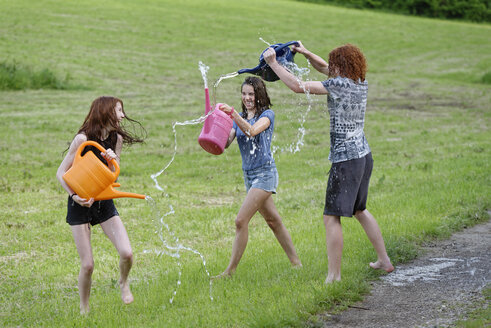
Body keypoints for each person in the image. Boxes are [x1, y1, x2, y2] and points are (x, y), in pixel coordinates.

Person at [264, 42, 394, 283]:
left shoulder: (338, 85)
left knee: (331, 217)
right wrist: (304, 53)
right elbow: (324, 66)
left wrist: (273, 63)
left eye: (335, 63)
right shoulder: (360, 81)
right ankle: (384, 259)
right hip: (363, 156)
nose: (330, 66)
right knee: (360, 210)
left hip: (346, 160)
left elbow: (297, 86)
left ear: (341, 66)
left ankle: (334, 276)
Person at [56, 96, 145, 313]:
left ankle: (123, 283)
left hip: (103, 201)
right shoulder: (82, 140)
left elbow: (112, 178)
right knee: (87, 265)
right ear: (105, 113)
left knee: (127, 253)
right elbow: (61, 173)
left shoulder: (116, 140)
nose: (123, 115)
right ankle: (84, 310)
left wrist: (110, 160)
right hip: (80, 203)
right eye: (119, 111)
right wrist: (74, 196)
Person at [214, 76, 302, 277]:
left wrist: (234, 115)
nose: (247, 98)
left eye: (251, 94)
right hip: (249, 176)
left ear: (259, 94)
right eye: (244, 94)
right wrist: (214, 123)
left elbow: (252, 131)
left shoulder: (267, 115)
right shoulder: (240, 118)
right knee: (273, 221)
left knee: (240, 220)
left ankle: (230, 271)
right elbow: (224, 144)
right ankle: (296, 264)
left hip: (265, 174)